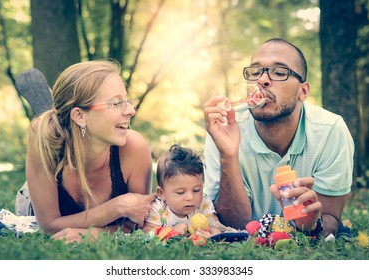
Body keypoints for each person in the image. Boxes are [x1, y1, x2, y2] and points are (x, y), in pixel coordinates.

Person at [203, 38, 354, 238]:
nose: (262, 80)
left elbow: (330, 217)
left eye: (280, 72)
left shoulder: (330, 131)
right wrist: (228, 155)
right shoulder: (223, 128)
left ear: (303, 91)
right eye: (255, 72)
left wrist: (310, 226)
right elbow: (233, 225)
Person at [25, 60, 156, 243]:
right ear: (79, 115)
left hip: (72, 132)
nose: (131, 111)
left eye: (127, 101)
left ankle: (53, 110)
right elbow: (48, 225)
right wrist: (114, 208)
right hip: (33, 197)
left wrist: (98, 234)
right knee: (43, 130)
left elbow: (139, 223)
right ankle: (49, 114)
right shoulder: (42, 142)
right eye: (116, 103)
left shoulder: (134, 147)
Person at [142, 144, 232, 237]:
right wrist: (171, 232)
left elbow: (215, 226)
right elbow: (147, 232)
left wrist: (212, 234)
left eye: (196, 190)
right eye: (180, 192)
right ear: (162, 193)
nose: (190, 197)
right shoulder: (158, 208)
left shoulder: (203, 203)